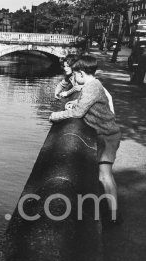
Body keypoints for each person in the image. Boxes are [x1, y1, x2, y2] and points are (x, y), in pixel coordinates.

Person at [49, 55, 122, 225]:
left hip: (107, 136)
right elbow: (85, 105)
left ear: (81, 73)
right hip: (105, 135)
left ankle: (114, 215)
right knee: (102, 175)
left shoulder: (91, 87)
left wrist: (56, 115)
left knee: (105, 176)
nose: (72, 78)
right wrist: (73, 103)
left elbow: (78, 113)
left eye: (74, 74)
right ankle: (110, 211)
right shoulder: (93, 85)